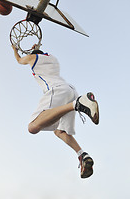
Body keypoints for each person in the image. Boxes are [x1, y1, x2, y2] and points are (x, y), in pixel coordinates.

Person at [12, 44, 99, 179]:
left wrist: (15, 50)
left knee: (33, 126)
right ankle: (82, 155)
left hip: (56, 90)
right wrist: (37, 47)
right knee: (59, 131)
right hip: (70, 90)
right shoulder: (52, 58)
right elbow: (40, 55)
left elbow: (19, 60)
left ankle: (78, 103)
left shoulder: (31, 58)